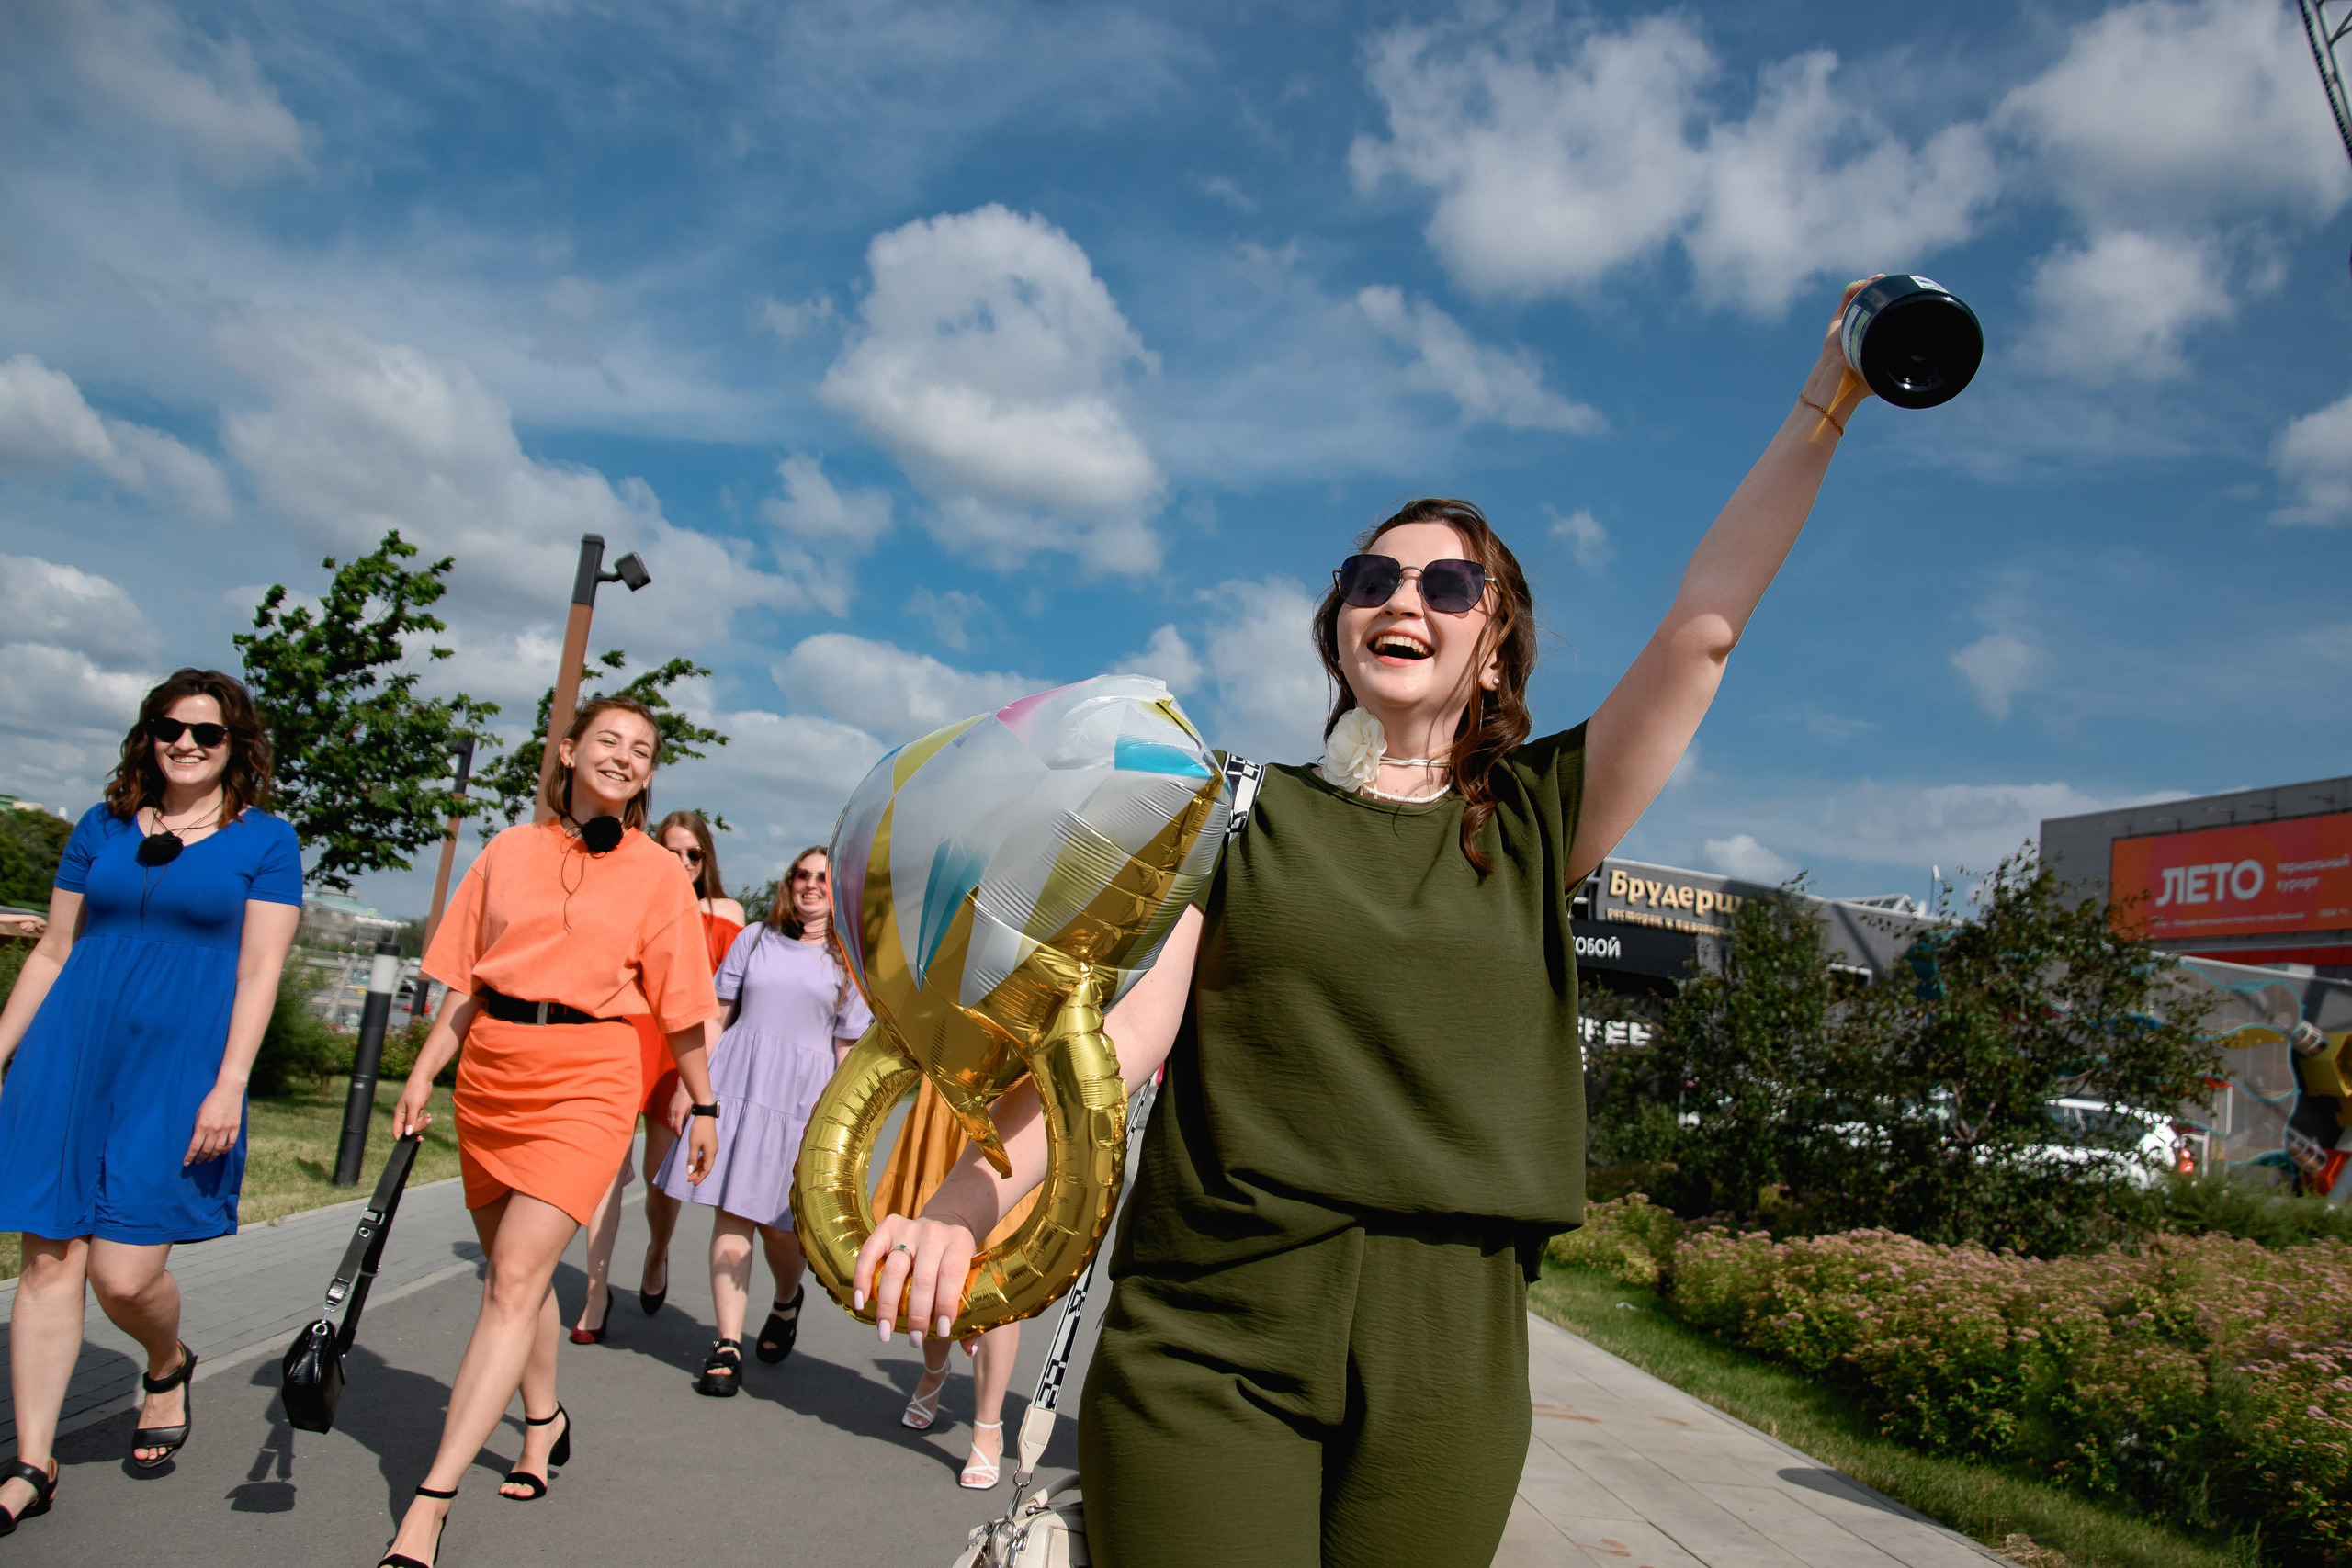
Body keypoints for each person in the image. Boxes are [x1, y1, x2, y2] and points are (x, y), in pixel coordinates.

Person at [855, 287, 1878, 1565]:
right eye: (1373, 577)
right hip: (1214, 1322)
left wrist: (1828, 399)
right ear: (1341, 628)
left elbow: (1705, 627)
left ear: (1496, 650)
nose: (1407, 595)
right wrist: (957, 1201)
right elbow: (1111, 1053)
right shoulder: (1230, 812)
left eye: (1452, 581)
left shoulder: (1537, 817)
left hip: (1452, 1340)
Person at [374, 696, 722, 1568]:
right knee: (510, 1278)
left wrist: (703, 1102)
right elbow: (468, 979)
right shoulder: (507, 851)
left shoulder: (657, 875)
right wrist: (425, 1069)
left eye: (641, 750)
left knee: (517, 1276)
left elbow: (682, 1006)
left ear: (648, 774)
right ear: (567, 752)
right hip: (493, 1074)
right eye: (608, 740)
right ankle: (543, 1421)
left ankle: (429, 1502)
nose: (624, 756)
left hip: (589, 1078)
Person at [0, 670, 302, 1537]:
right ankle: (32, 1457)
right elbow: (54, 950)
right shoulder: (99, 827)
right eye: (171, 727)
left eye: (207, 733)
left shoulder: (265, 842)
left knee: (123, 1273)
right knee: (49, 1260)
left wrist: (231, 1084)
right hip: (69, 1057)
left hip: (178, 1072)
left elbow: (258, 971)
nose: (186, 743)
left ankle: (166, 1362)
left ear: (236, 745)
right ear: (149, 733)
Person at [652, 846, 868, 1398]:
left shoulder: (849, 962)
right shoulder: (753, 939)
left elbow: (847, 1050)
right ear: (789, 883)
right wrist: (689, 1086)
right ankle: (726, 1345)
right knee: (730, 1213)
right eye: (803, 875)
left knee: (780, 1227)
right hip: (736, 1088)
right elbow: (716, 1018)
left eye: (823, 878)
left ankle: (785, 1298)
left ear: (837, 890)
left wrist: (840, 1129)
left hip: (800, 1102)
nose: (811, 886)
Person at [570, 809, 743, 1342]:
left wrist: (702, 1086)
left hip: (679, 1053)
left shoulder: (724, 912)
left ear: (706, 860)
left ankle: (657, 1250)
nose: (684, 862)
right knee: (603, 1175)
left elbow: (720, 1008)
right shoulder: (629, 895)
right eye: (672, 851)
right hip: (619, 1041)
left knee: (655, 1180)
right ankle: (596, 1294)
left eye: (694, 854)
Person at [872, 1081, 1034, 1490]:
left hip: (1012, 1091)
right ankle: (933, 1372)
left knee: (998, 1273)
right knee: (930, 1252)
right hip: (947, 1086)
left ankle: (986, 1425)